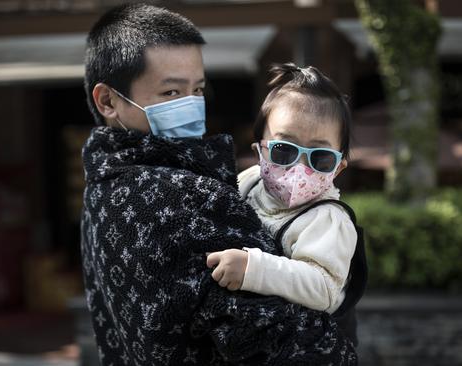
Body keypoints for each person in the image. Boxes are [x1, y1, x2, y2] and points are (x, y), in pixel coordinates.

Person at [81, 4, 357, 365]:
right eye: (171, 93)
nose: (192, 105)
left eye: (197, 89)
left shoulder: (98, 191)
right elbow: (289, 343)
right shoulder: (186, 194)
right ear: (108, 100)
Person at [206, 63, 367, 345]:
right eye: (284, 150)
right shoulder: (251, 181)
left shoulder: (328, 219)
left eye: (320, 158)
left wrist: (253, 269)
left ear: (338, 169)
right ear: (259, 150)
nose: (299, 168)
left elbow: (324, 289)